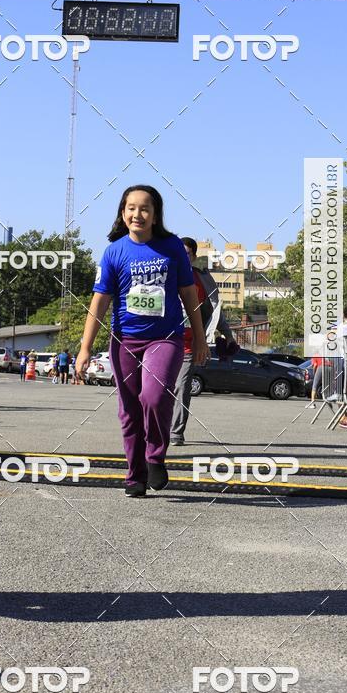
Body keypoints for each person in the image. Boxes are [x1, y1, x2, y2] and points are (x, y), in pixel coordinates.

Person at [76, 184, 209, 497]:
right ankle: (134, 473)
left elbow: (189, 295)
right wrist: (84, 349)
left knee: (153, 396)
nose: (138, 213)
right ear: (123, 213)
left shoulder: (172, 247)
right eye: (131, 207)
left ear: (155, 214)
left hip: (165, 338)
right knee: (129, 410)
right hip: (125, 341)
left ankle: (155, 456)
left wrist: (201, 338)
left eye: (144, 208)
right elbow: (99, 302)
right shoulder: (113, 252)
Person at [171, 236, 236, 446]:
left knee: (182, 387)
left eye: (187, 253)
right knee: (159, 389)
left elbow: (215, 311)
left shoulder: (201, 279)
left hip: (191, 344)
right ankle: (155, 428)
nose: (182, 256)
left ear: (193, 257)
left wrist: (228, 334)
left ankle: (176, 432)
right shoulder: (165, 276)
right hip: (164, 343)